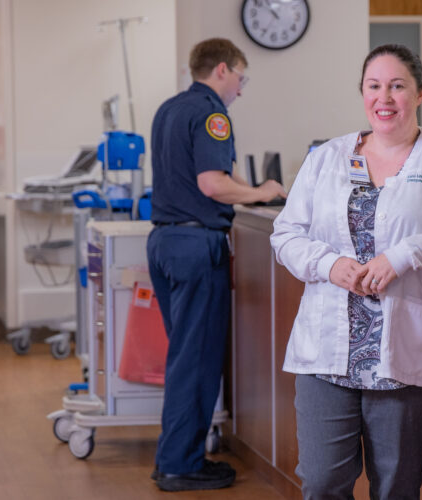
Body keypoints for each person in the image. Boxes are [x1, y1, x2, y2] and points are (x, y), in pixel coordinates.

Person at [270, 44, 422, 499]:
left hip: (401, 355)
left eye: (397, 86)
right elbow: (286, 234)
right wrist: (328, 263)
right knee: (321, 480)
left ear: (419, 94)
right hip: (327, 352)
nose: (385, 97)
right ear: (363, 93)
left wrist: (405, 254)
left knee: (395, 486)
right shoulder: (327, 158)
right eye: (374, 86)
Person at [147, 37, 286, 492]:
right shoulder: (212, 114)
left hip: (165, 241)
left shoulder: (169, 109)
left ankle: (177, 456)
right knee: (197, 359)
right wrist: (263, 193)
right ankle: (180, 465)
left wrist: (247, 187)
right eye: (241, 78)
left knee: (184, 356)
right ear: (222, 69)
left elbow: (213, 175)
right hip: (195, 245)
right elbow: (211, 184)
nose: (241, 89)